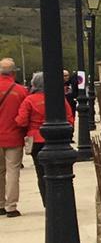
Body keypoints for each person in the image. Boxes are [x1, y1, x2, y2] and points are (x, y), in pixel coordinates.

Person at [16, 72, 73, 206]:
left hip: (36, 139)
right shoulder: (58, 99)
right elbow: (69, 117)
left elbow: (22, 121)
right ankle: (61, 198)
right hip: (57, 138)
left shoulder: (29, 100)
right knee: (60, 170)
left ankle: (47, 201)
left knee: (41, 172)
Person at [0, 56, 28, 217]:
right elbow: (25, 116)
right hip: (14, 136)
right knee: (12, 171)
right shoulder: (21, 91)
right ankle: (11, 206)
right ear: (14, 73)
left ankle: (0, 204)